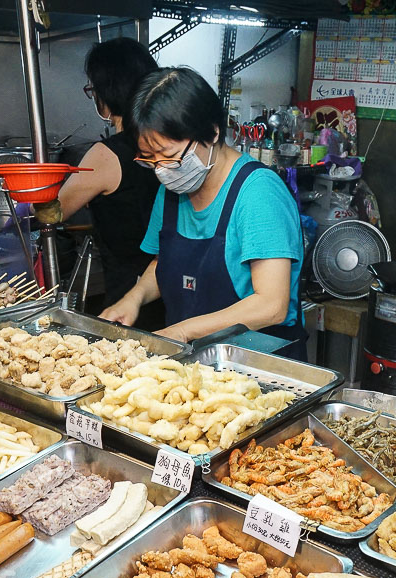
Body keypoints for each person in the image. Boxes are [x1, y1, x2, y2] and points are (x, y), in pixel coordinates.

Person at [100, 68, 307, 358]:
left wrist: (181, 332)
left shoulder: (258, 194)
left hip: (260, 369)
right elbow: (164, 264)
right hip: (192, 363)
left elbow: (270, 305)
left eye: (169, 156)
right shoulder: (172, 189)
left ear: (211, 132)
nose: (161, 169)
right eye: (150, 159)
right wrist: (133, 299)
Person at [55, 38, 164, 328]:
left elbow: (54, 211)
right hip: (169, 288)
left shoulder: (105, 156)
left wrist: (24, 195)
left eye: (93, 89)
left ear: (106, 92)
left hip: (129, 295)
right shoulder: (165, 142)